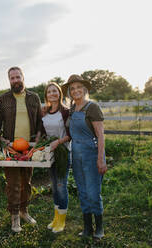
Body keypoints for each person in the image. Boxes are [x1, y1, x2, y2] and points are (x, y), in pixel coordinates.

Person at [0, 66, 42, 232]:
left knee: (26, 183)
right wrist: (1, 140)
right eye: (12, 78)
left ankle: (24, 211)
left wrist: (37, 139)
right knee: (13, 183)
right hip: (11, 148)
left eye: (17, 77)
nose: (15, 80)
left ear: (23, 77)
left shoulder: (34, 98)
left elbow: (40, 123)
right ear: (9, 81)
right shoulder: (3, 99)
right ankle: (14, 217)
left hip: (29, 148)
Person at [62, 74, 108, 239]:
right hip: (76, 154)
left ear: (84, 89)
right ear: (69, 92)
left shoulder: (92, 107)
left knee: (93, 192)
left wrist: (101, 158)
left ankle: (100, 227)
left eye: (79, 87)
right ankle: (88, 227)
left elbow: (101, 135)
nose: (76, 90)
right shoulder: (73, 109)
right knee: (82, 191)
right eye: (72, 88)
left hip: (91, 153)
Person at [41, 82, 71, 233]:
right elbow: (42, 132)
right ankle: (56, 218)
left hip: (62, 153)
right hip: (49, 153)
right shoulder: (45, 112)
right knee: (54, 186)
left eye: (55, 91)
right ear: (46, 95)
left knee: (61, 186)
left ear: (59, 93)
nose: (52, 94)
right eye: (49, 91)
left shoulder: (65, 112)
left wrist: (57, 142)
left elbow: (70, 134)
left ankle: (62, 221)